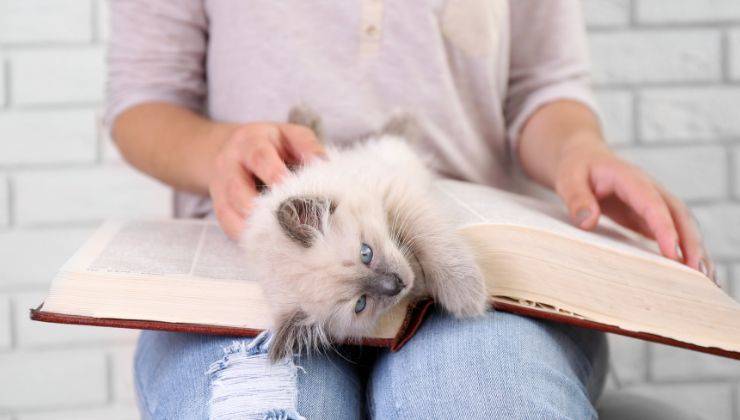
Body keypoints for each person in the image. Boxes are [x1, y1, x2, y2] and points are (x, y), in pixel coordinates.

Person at [107, 1, 714, 418]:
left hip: (473, 242)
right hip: (244, 279)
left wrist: (579, 149)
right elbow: (142, 101)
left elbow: (543, 86)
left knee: (479, 401)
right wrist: (220, 152)